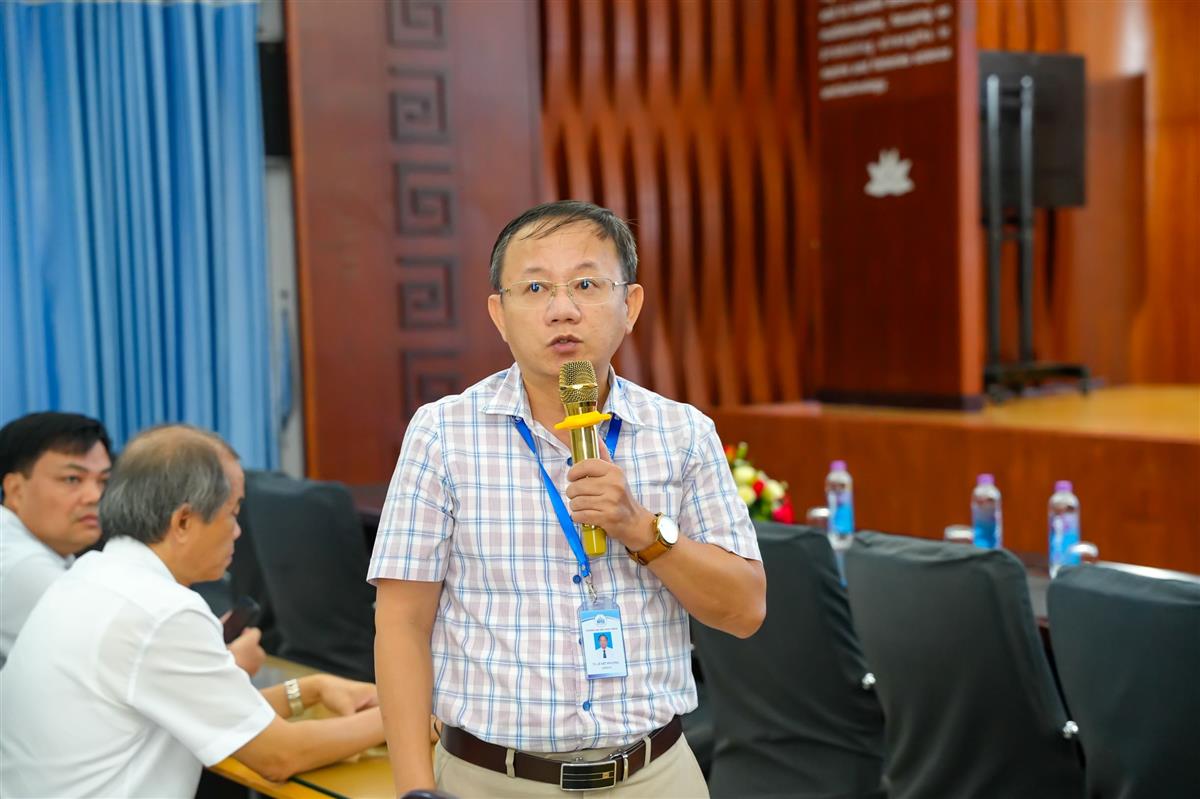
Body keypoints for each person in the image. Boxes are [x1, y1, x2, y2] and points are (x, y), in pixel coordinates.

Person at [371, 200, 766, 797]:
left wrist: (641, 528)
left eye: (586, 284)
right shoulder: (443, 434)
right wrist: (415, 790)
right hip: (491, 780)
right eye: (535, 288)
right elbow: (401, 623)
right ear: (499, 315)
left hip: (655, 775)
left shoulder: (683, 433)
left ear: (630, 306)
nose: (562, 309)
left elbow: (744, 610)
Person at [0, 425, 385, 798]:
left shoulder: (92, 573)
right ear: (183, 521)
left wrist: (311, 689)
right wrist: (405, 716)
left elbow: (224, 717)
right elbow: (279, 755)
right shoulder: (162, 611)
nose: (237, 531)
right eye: (232, 513)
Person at [0, 412, 264, 674]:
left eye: (103, 481)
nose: (95, 496)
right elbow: (135, 663)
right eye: (72, 479)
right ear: (15, 489)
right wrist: (231, 662)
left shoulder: (65, 557)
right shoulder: (20, 564)